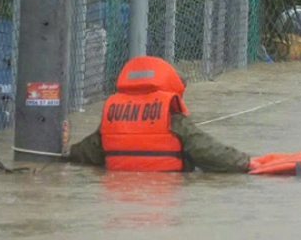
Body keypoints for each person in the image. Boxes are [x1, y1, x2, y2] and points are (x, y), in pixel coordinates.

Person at [66, 56, 250, 173]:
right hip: (165, 193)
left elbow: (85, 152)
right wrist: (245, 162)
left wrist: (65, 152)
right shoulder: (173, 119)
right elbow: (210, 153)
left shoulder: (112, 115)